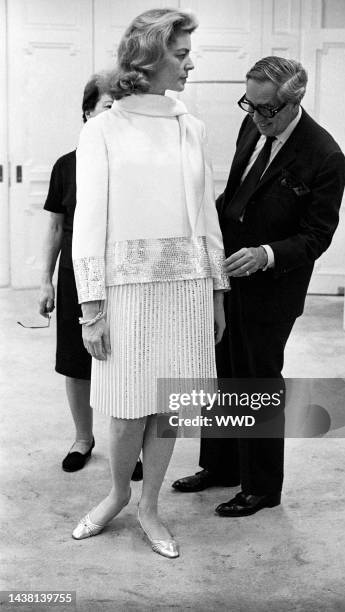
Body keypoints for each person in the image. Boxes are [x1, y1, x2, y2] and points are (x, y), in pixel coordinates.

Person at [70, 8, 228, 558]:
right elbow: (87, 224)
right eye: (181, 55)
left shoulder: (192, 127)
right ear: (150, 56)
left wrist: (216, 290)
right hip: (125, 289)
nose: (190, 65)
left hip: (186, 285)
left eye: (188, 54)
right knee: (125, 404)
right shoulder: (103, 129)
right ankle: (116, 494)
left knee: (170, 404)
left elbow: (205, 214)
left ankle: (150, 505)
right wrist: (91, 306)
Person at [172, 56, 345, 517]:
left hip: (273, 288)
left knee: (257, 381)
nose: (254, 116)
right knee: (223, 372)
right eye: (249, 104)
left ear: (293, 104)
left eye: (266, 109)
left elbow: (317, 235)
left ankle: (262, 488)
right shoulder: (253, 127)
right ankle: (221, 466)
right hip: (227, 274)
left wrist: (265, 254)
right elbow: (236, 196)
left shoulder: (324, 155)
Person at [39, 75, 143, 480]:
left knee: (125, 363)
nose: (115, 114)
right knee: (76, 362)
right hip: (75, 277)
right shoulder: (66, 166)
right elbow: (54, 228)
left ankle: (128, 446)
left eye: (121, 106)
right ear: (87, 112)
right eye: (106, 106)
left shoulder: (132, 164)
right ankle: (84, 438)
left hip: (123, 275)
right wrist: (45, 280)